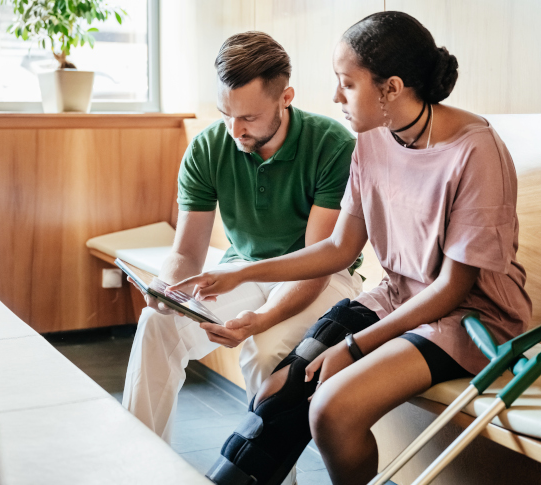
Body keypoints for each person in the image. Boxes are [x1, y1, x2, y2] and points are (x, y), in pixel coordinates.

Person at [171, 12, 533, 485]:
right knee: (278, 391)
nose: (336, 96)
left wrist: (354, 344)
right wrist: (240, 274)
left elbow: (451, 288)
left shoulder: (475, 151)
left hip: (470, 319)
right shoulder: (372, 141)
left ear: (392, 88)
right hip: (397, 300)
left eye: (346, 83)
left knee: (330, 410)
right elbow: (340, 247)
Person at [120, 31, 363, 463]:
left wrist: (261, 318)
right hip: (242, 268)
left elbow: (318, 261)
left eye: (248, 117)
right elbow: (187, 253)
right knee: (156, 326)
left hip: (322, 277)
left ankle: (263, 474)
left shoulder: (333, 145)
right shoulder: (209, 147)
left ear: (285, 97)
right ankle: (141, 465)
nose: (234, 130)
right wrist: (168, 289)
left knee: (266, 348)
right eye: (225, 114)